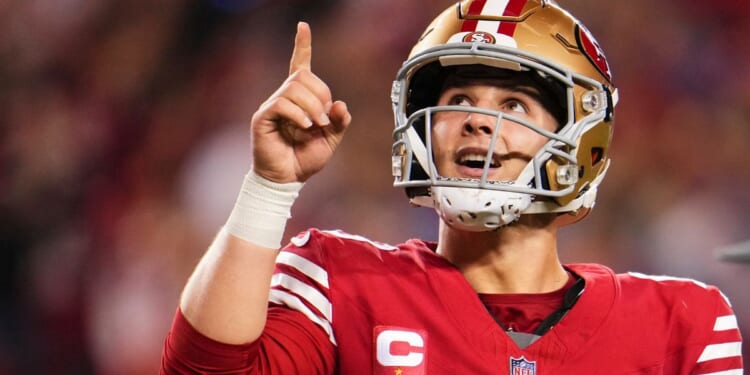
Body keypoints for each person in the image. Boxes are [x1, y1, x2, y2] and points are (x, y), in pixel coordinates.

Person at [161, 0, 744, 374]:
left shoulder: (684, 325)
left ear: (579, 141)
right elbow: (204, 371)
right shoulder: (339, 283)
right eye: (458, 100)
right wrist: (269, 187)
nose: (477, 121)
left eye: (512, 103)